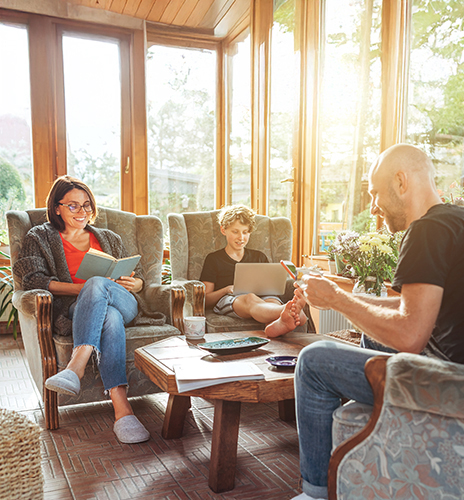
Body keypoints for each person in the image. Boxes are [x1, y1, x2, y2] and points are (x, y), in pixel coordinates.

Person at [261, 143, 464, 500]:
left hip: (462, 393)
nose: (372, 206)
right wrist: (348, 299)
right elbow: (414, 312)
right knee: (371, 339)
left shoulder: (426, 232)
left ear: (401, 182)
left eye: (374, 193)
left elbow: (409, 335)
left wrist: (337, 299)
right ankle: (380, 455)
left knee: (313, 361)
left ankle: (317, 497)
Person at [14, 175, 164, 444]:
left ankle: (76, 367)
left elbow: (139, 277)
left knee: (103, 292)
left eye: (86, 205)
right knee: (109, 316)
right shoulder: (40, 237)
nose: (81, 212)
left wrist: (135, 281)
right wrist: (85, 289)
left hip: (125, 301)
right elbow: (33, 280)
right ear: (56, 207)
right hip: (78, 308)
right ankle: (123, 411)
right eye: (73, 206)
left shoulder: (108, 237)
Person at [200, 204, 306, 337]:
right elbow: (206, 299)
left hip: (262, 297)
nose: (241, 237)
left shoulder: (259, 256)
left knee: (272, 300)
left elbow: (270, 288)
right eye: (235, 232)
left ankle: (278, 324)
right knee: (250, 298)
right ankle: (287, 311)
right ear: (223, 230)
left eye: (245, 232)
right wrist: (226, 289)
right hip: (229, 299)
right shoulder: (213, 259)